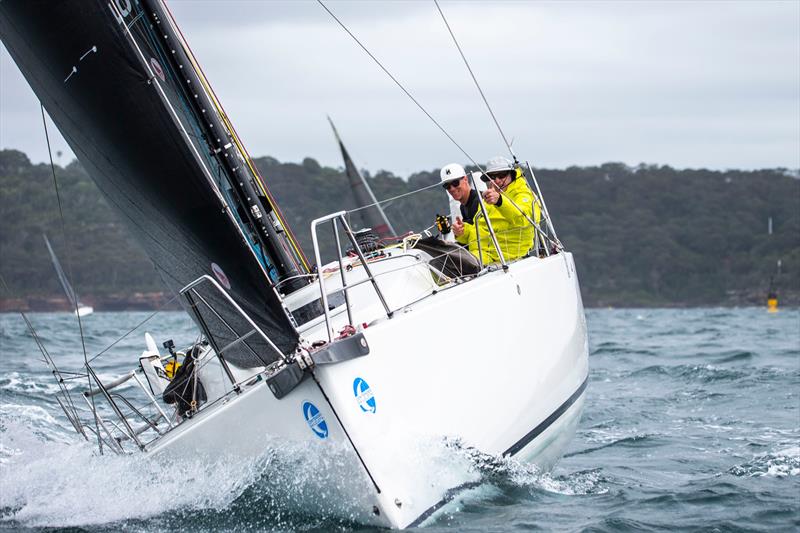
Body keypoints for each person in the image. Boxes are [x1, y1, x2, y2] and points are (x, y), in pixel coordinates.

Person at [454, 156, 540, 264]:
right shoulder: (490, 196)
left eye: (502, 175)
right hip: (483, 254)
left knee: (458, 265)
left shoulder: (523, 194)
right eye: (492, 177)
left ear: (512, 175)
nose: (497, 180)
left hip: (505, 258)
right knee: (443, 264)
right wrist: (462, 231)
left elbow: (524, 219)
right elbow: (480, 230)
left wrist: (500, 201)